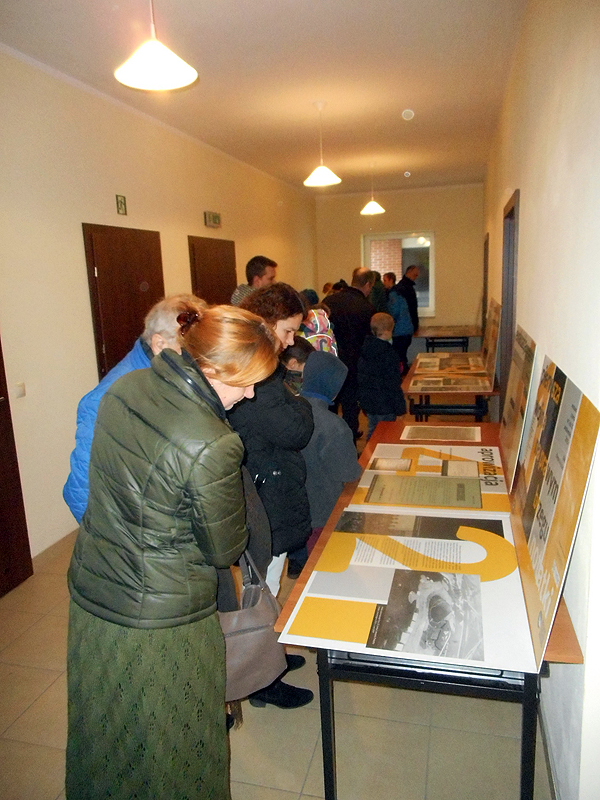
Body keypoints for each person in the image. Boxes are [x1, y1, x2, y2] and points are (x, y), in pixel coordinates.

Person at [66, 303, 279, 800]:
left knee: (108, 730)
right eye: (246, 382)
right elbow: (224, 548)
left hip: (94, 594)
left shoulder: (122, 389)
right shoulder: (212, 441)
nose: (250, 394)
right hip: (162, 619)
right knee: (176, 742)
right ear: (213, 368)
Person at [63, 294, 206, 523]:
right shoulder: (106, 400)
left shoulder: (171, 377)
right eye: (191, 351)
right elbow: (80, 492)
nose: (200, 361)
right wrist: (114, 538)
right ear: (159, 344)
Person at [229, 283, 314, 600]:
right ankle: (260, 631)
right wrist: (302, 404)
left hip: (266, 484)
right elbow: (294, 431)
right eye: (288, 331)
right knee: (263, 583)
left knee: (265, 578)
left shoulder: (263, 367)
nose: (291, 341)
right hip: (264, 492)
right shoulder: (258, 374)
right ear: (265, 323)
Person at [300, 350, 361, 551]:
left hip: (297, 508)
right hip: (323, 510)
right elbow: (348, 473)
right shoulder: (333, 426)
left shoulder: (289, 410)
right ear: (334, 389)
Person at [323, 267, 376, 439]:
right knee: (351, 409)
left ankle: (330, 444)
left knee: (329, 408)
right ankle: (350, 444)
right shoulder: (367, 307)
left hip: (329, 362)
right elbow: (369, 342)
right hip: (354, 365)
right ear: (367, 284)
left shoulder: (329, 301)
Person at [357, 312, 407, 440]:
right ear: (387, 331)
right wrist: (400, 408)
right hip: (385, 402)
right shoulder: (389, 354)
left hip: (368, 400)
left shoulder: (365, 348)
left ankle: (369, 450)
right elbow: (393, 383)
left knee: (373, 429)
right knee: (386, 433)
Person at [387, 287, 414, 375]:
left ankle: (402, 373)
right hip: (407, 330)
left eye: (385, 280)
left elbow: (394, 312)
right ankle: (405, 371)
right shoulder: (400, 294)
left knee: (399, 355)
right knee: (402, 354)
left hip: (399, 331)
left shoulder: (392, 295)